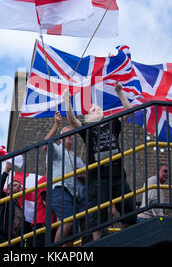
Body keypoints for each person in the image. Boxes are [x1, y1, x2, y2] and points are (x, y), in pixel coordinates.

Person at [62, 82, 136, 241]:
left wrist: (119, 92)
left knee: (128, 207)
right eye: (92, 109)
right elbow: (72, 119)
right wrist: (67, 100)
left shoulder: (113, 123)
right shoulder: (87, 129)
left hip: (117, 175)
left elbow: (129, 110)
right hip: (97, 178)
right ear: (88, 117)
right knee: (98, 213)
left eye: (98, 108)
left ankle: (126, 238)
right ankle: (97, 242)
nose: (95, 109)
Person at [43, 111, 88, 246]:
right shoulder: (56, 149)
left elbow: (86, 180)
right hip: (60, 189)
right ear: (61, 137)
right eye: (66, 133)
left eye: (72, 134)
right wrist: (56, 124)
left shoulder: (79, 160)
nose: (70, 136)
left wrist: (82, 177)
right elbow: (45, 144)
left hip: (77, 195)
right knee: (67, 221)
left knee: (73, 231)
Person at [0, 162, 32, 246]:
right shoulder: (5, 199)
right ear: (8, 190)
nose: (19, 187)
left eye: (20, 186)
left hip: (16, 241)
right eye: (15, 185)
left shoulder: (19, 207)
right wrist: (6, 172)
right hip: (4, 239)